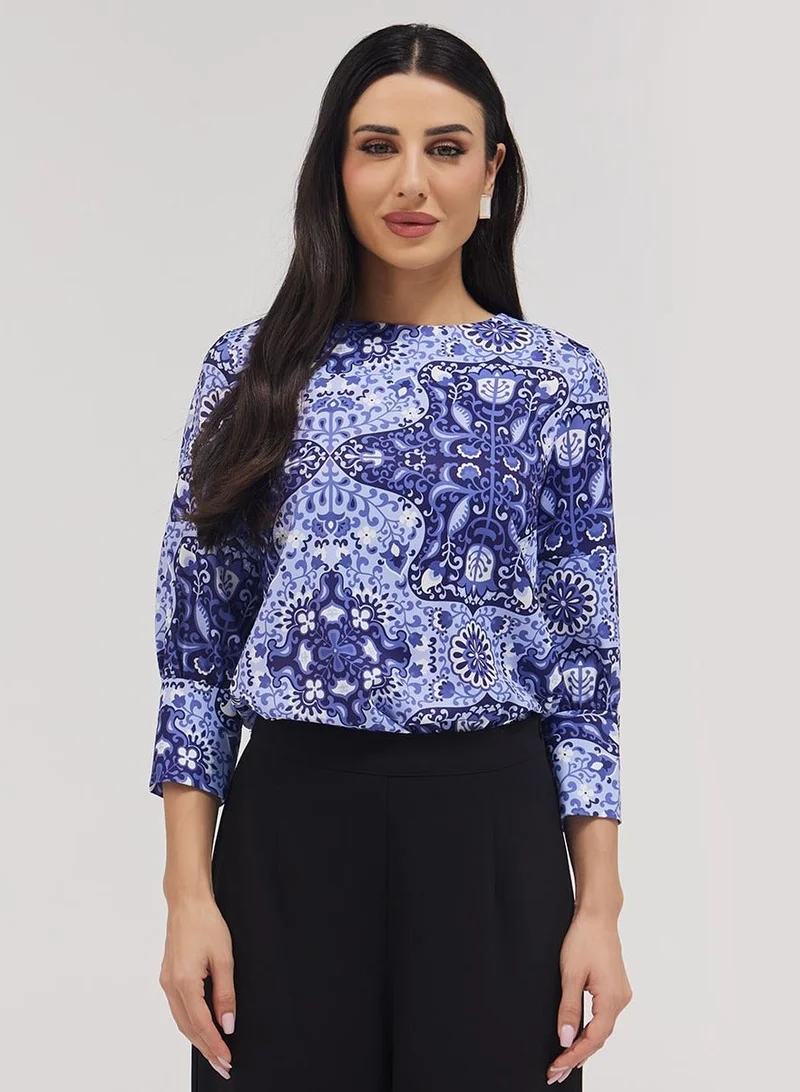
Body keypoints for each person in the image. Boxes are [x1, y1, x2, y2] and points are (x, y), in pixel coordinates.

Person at [150, 22, 633, 1091]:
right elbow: (194, 656)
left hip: (490, 836)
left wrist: (598, 905)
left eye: (445, 148)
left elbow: (583, 666)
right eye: (377, 146)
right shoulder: (249, 370)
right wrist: (187, 896)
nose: (411, 181)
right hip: (287, 835)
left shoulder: (556, 380)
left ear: (491, 172)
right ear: (335, 166)